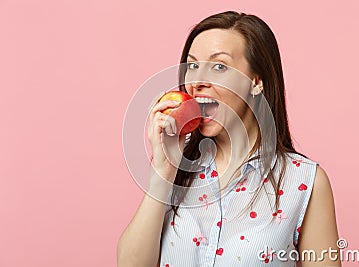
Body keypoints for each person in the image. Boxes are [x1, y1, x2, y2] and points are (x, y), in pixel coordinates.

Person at [117, 11, 341, 267]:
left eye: (219, 66)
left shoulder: (303, 181)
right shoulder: (175, 172)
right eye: (192, 66)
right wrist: (162, 173)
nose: (198, 81)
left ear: (256, 82)